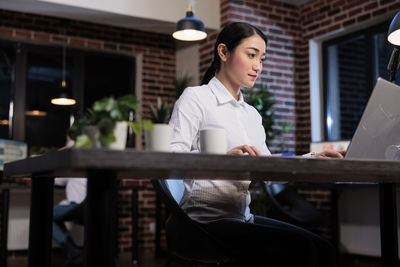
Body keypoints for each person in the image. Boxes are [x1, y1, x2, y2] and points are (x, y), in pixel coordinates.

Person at [169, 22, 344, 267]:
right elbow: (171, 160)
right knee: (301, 250)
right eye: (251, 55)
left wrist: (311, 158)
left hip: (242, 218)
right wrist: (222, 159)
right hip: (203, 222)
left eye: (261, 59)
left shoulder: (251, 114)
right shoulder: (195, 99)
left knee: (324, 249)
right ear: (223, 52)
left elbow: (270, 170)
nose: (257, 66)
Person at [53, 137, 87, 267]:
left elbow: (55, 179)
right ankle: (71, 249)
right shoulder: (87, 162)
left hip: (78, 207)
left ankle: (71, 248)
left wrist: (62, 151)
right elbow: (59, 180)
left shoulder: (75, 165)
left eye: (67, 140)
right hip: (93, 208)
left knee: (42, 214)